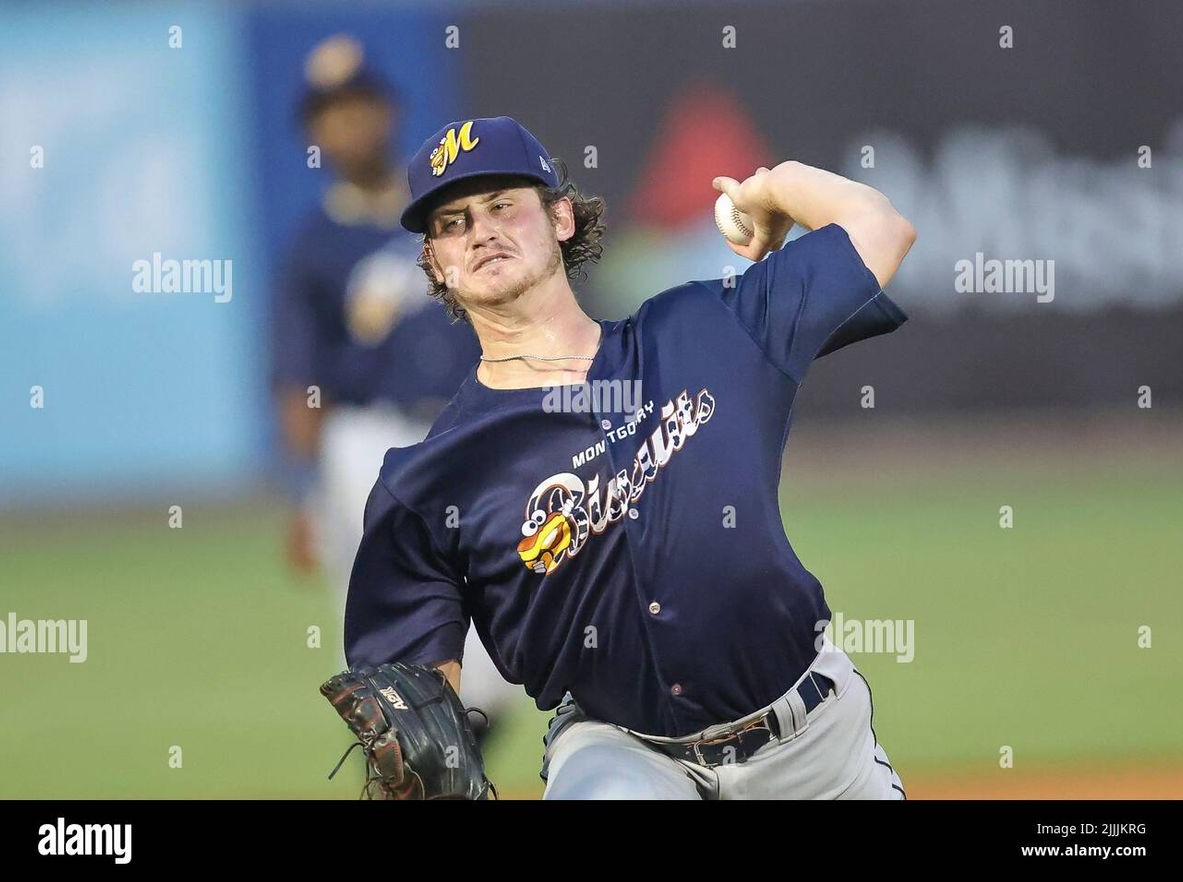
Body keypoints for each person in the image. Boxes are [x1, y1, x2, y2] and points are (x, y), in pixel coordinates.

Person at [344, 115, 917, 799]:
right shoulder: (427, 481)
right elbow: (414, 710)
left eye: (503, 206)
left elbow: (881, 229)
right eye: (453, 222)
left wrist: (776, 186)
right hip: (623, 756)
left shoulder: (707, 329)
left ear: (560, 218)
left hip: (816, 745)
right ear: (436, 263)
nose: (481, 231)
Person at [270, 39, 520, 742]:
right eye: (330, 114)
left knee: (499, 643)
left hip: (467, 429)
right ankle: (411, 752)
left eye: (358, 106)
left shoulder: (447, 214)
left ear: (388, 110)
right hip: (366, 441)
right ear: (312, 134)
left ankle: (440, 754)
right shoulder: (313, 246)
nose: (347, 125)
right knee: (392, 631)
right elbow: (300, 383)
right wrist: (303, 491)